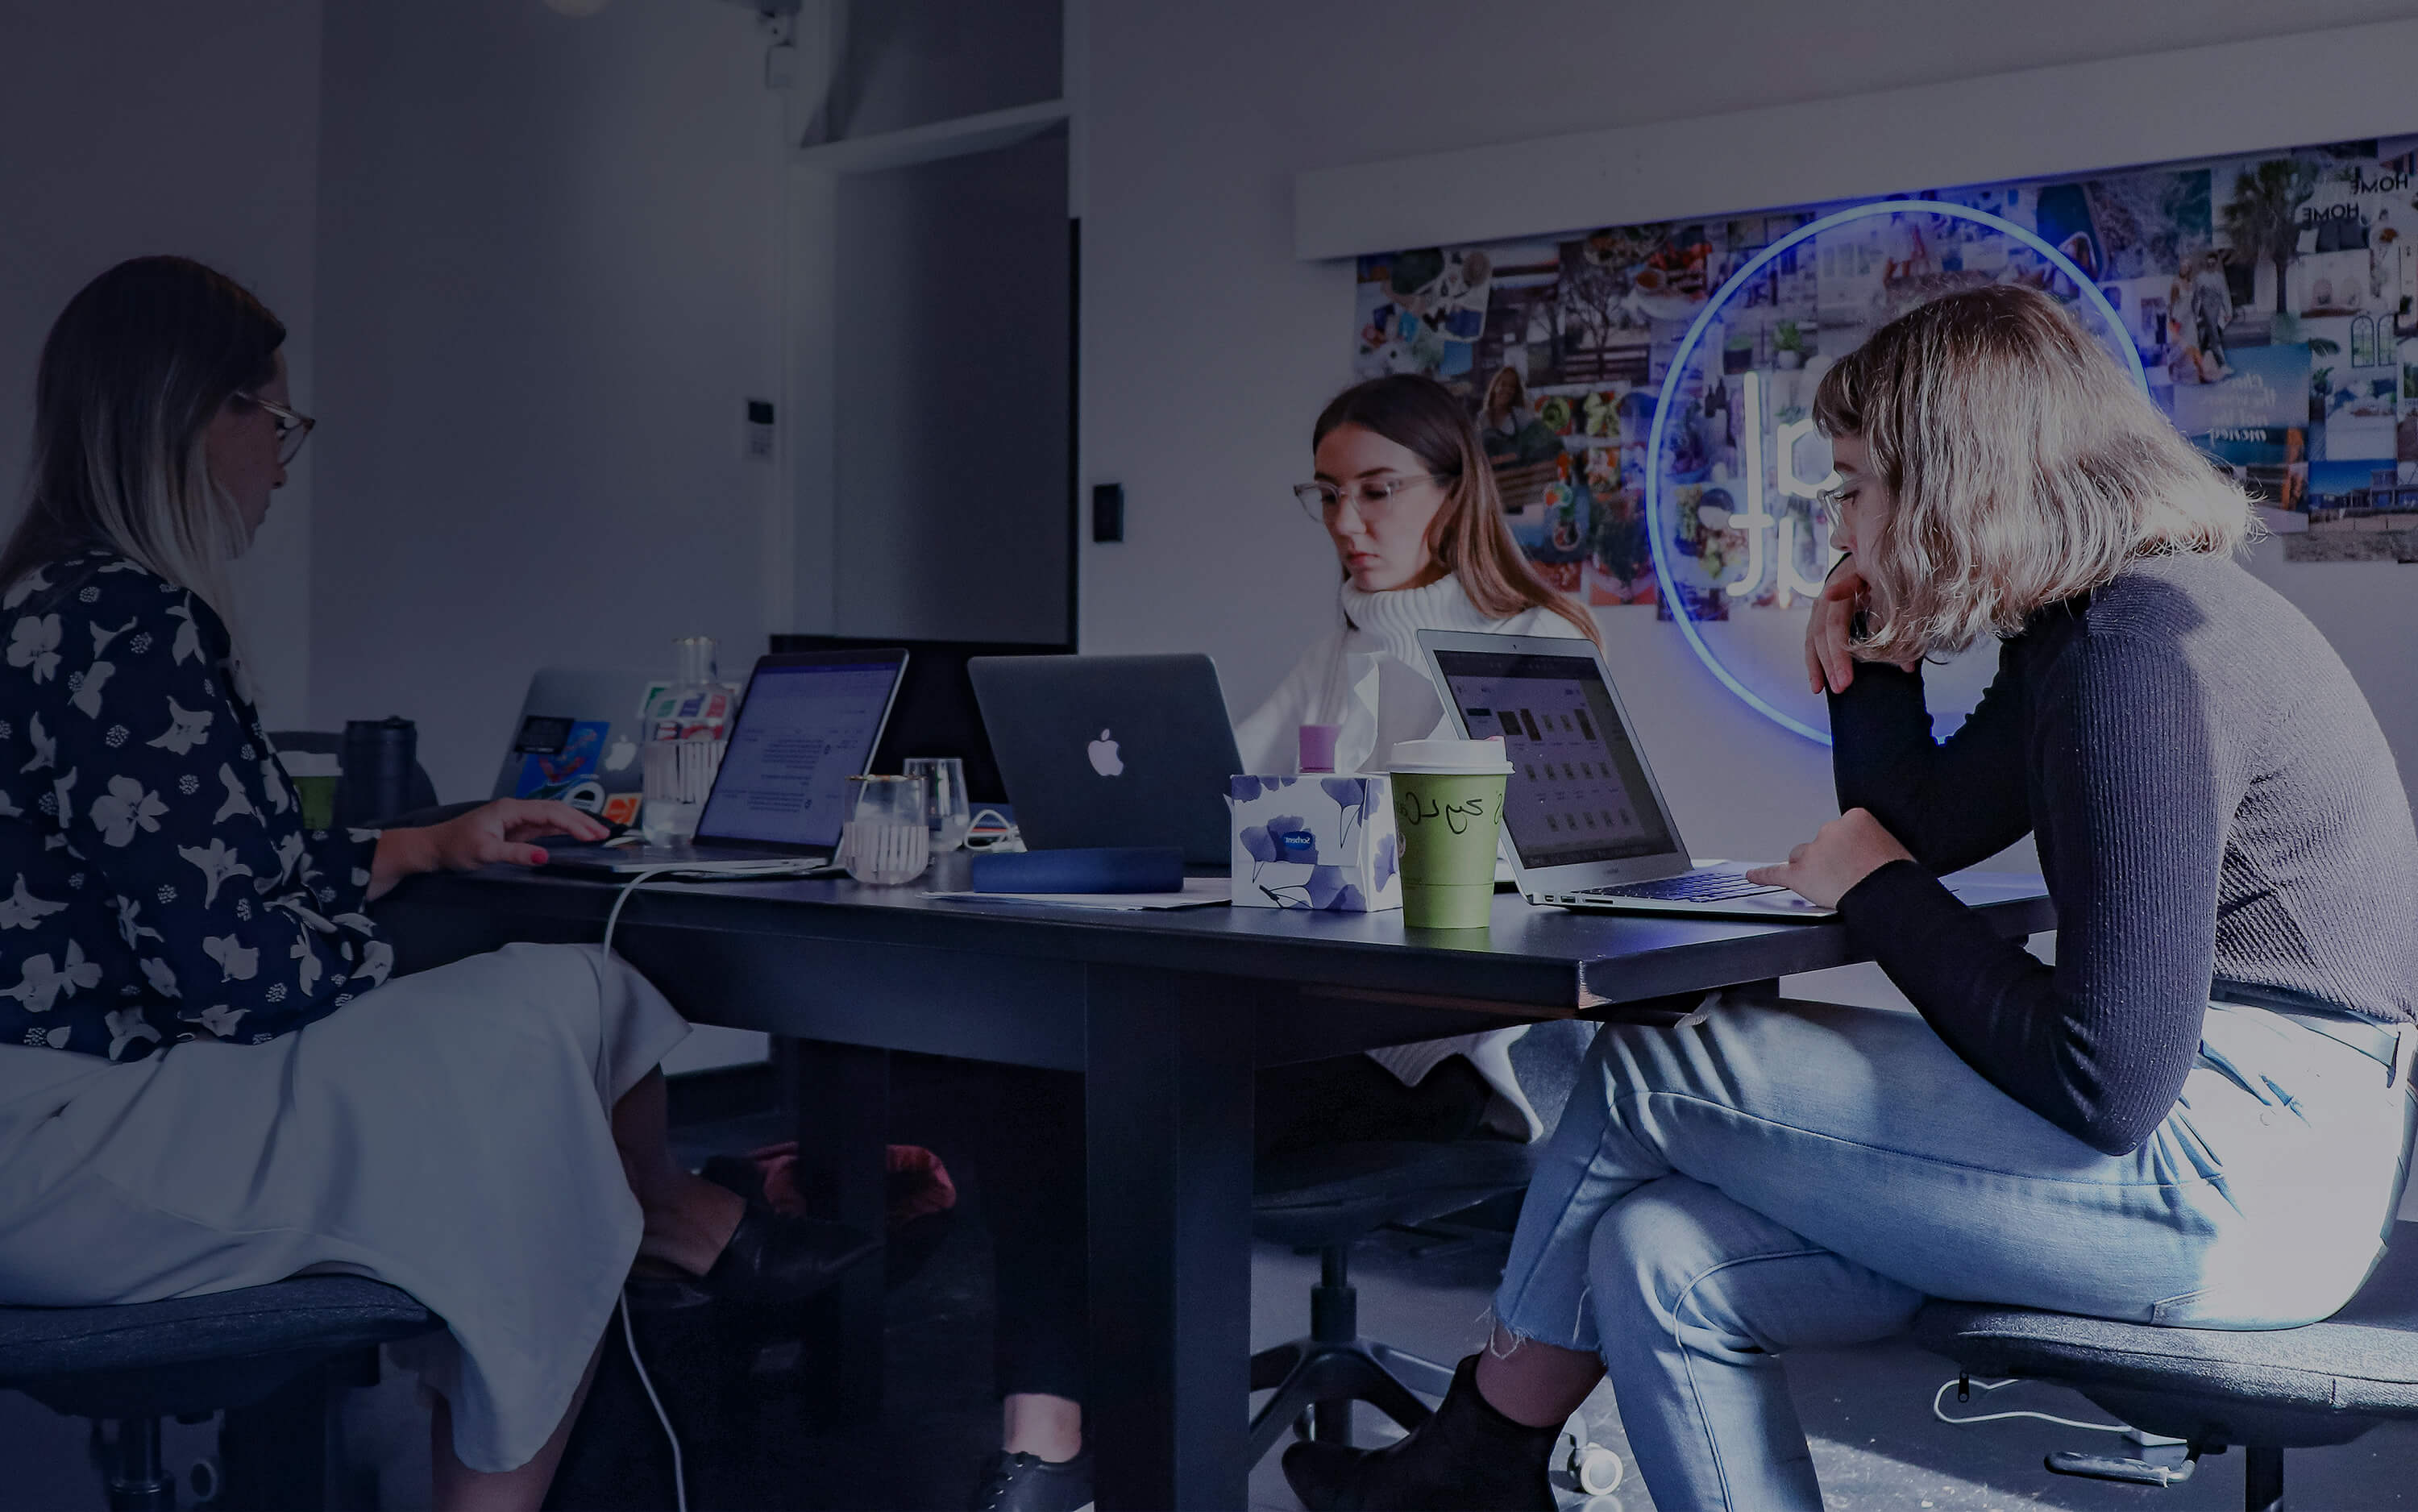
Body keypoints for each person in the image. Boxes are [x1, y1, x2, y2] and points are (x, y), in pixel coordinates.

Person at [1283, 283, 2418, 1511]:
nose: (1839, 522)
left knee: (1648, 1066)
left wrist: (1874, 887)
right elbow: (1922, 825)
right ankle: (1480, 1468)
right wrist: (1875, 665)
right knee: (1653, 1252)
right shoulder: (2092, 625)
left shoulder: (2130, 655)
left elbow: (2107, 1079)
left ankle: (1473, 1463)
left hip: (2242, 1173)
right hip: (2245, 1155)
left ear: (1946, 486)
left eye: (1853, 487)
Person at [0, 257, 878, 1512]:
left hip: (60, 1110)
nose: (283, 464)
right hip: (76, 1148)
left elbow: (186, 867)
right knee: (542, 1021)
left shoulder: (49, 606)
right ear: (198, 415)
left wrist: (421, 848)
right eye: (278, 421)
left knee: (553, 1018)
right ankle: (673, 1225)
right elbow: (239, 980)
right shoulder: (136, 624)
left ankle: (671, 1222)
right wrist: (420, 964)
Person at [968, 374, 1605, 1512]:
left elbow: (1533, 873)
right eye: (1326, 495)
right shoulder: (1339, 650)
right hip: (1300, 1028)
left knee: (1112, 1103)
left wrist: (1328, 846)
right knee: (1047, 1076)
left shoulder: (1535, 640)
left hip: (1433, 1058)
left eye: (1377, 490)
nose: (1347, 522)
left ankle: (1095, 1440)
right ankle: (1044, 1439)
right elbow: (1221, 792)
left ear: (1454, 489)